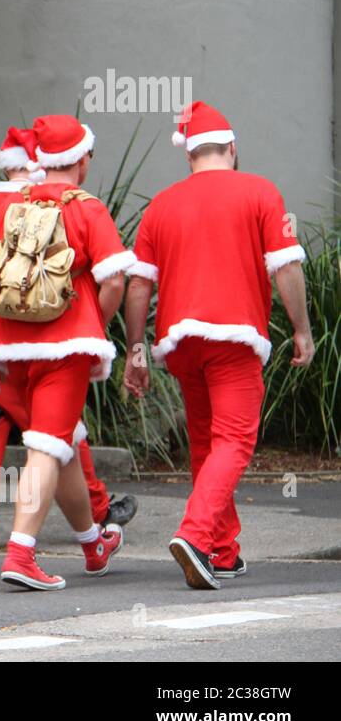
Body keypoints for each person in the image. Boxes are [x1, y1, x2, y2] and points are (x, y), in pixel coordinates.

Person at [124, 101, 314, 589]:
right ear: (232, 148)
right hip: (235, 338)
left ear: (189, 158)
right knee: (235, 441)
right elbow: (287, 267)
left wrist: (136, 350)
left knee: (207, 444)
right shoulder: (261, 191)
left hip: (180, 342)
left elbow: (139, 285)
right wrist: (302, 329)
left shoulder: (161, 204)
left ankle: (222, 552)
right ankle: (193, 532)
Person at [0, 127, 136, 553]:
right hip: (57, 336)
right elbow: (113, 279)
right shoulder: (75, 207)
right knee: (55, 436)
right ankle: (67, 528)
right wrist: (94, 322)